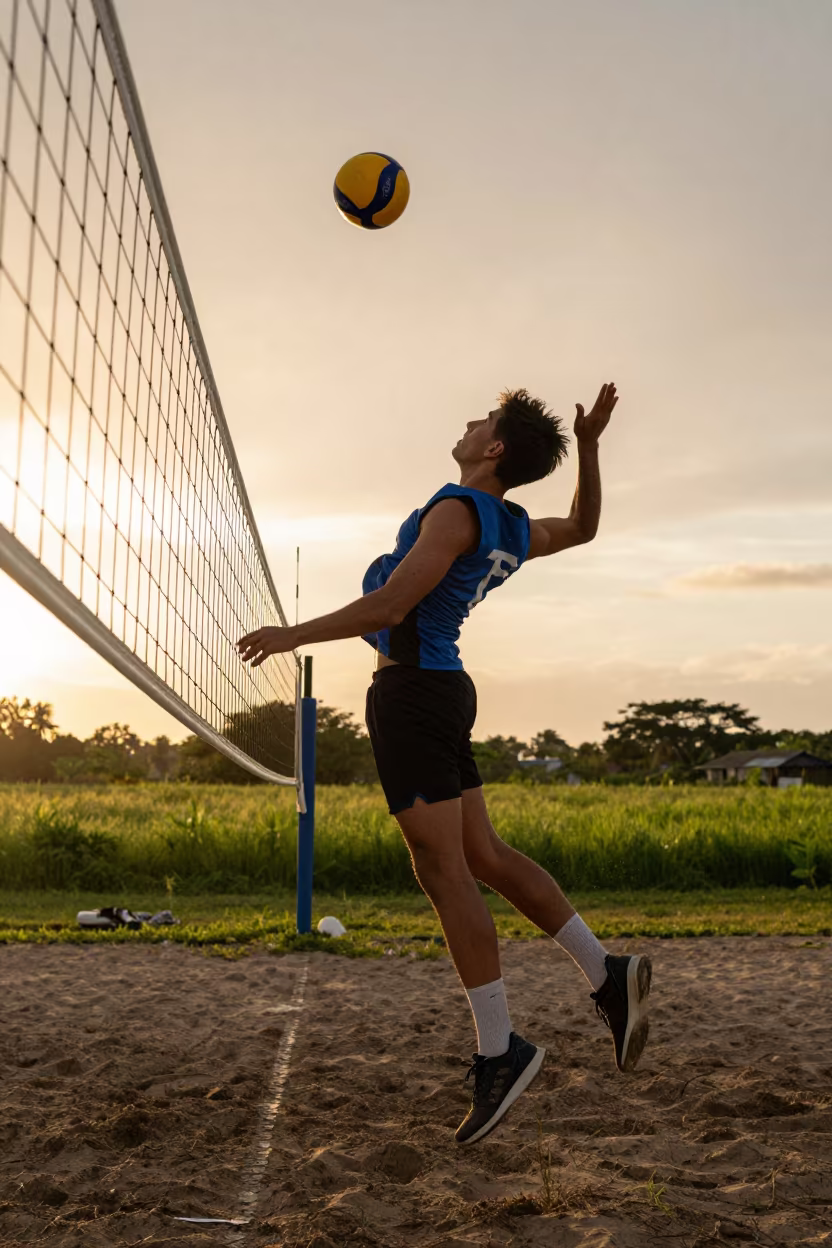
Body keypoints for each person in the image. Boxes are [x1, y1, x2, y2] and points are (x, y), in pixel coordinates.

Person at [238, 383, 652, 1146]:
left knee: (444, 871)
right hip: (442, 689)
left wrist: (290, 635)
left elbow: (389, 608)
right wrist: (588, 447)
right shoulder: (512, 525)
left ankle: (502, 1051)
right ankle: (607, 973)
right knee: (482, 856)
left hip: (414, 696)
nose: (467, 422)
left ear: (492, 449)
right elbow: (587, 528)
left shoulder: (458, 511)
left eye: (482, 420)